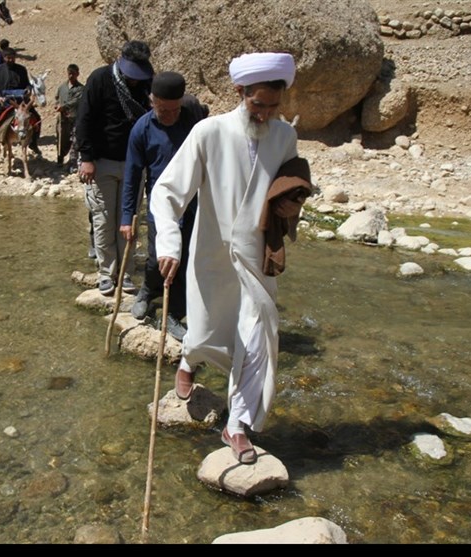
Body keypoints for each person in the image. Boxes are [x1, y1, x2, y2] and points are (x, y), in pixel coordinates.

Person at [150, 52, 311, 465]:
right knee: (204, 329)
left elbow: (287, 187)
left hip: (257, 258)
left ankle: (235, 426)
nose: (266, 114)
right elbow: (167, 192)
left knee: (257, 340)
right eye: (259, 105)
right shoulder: (210, 132)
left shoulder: (284, 137)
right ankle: (188, 359)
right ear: (240, 93)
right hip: (212, 254)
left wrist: (292, 202)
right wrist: (169, 244)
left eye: (274, 107)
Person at [120, 71, 207, 341]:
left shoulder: (194, 125)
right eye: (163, 109)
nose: (169, 115)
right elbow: (133, 176)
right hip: (160, 205)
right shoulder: (142, 130)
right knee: (158, 255)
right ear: (151, 101)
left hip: (192, 203)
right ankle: (148, 291)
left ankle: (171, 314)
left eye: (174, 109)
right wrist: (127, 216)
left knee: (185, 259)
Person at [75, 40, 154, 296]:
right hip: (102, 162)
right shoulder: (99, 79)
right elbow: (84, 119)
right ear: (120, 60)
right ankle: (107, 273)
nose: (134, 81)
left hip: (134, 164)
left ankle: (126, 272)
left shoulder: (146, 83)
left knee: (128, 220)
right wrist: (86, 158)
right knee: (104, 218)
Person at [0, 48, 42, 156]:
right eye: (8, 58)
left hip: (21, 101)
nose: (11, 60)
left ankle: (34, 143)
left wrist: (28, 89)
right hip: (4, 101)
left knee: (37, 119)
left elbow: (27, 84)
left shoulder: (21, 69)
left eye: (12, 58)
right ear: (4, 58)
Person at [54, 63, 83, 170]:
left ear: (77, 74)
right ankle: (60, 159)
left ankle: (72, 162)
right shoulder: (62, 87)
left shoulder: (80, 89)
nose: (71, 76)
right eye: (69, 73)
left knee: (74, 140)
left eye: (73, 74)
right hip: (62, 119)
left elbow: (76, 101)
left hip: (75, 118)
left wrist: (64, 106)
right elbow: (57, 98)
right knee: (61, 138)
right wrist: (57, 105)